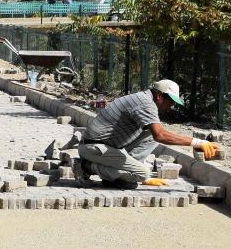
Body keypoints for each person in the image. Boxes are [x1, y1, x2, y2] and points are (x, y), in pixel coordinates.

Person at [75, 79, 220, 187]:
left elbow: (156, 134)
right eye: (170, 102)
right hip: (94, 148)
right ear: (159, 96)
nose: (171, 106)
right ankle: (86, 167)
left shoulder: (145, 99)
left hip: (107, 146)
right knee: (143, 173)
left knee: (150, 135)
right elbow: (161, 135)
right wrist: (198, 142)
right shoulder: (146, 104)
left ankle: (123, 175)